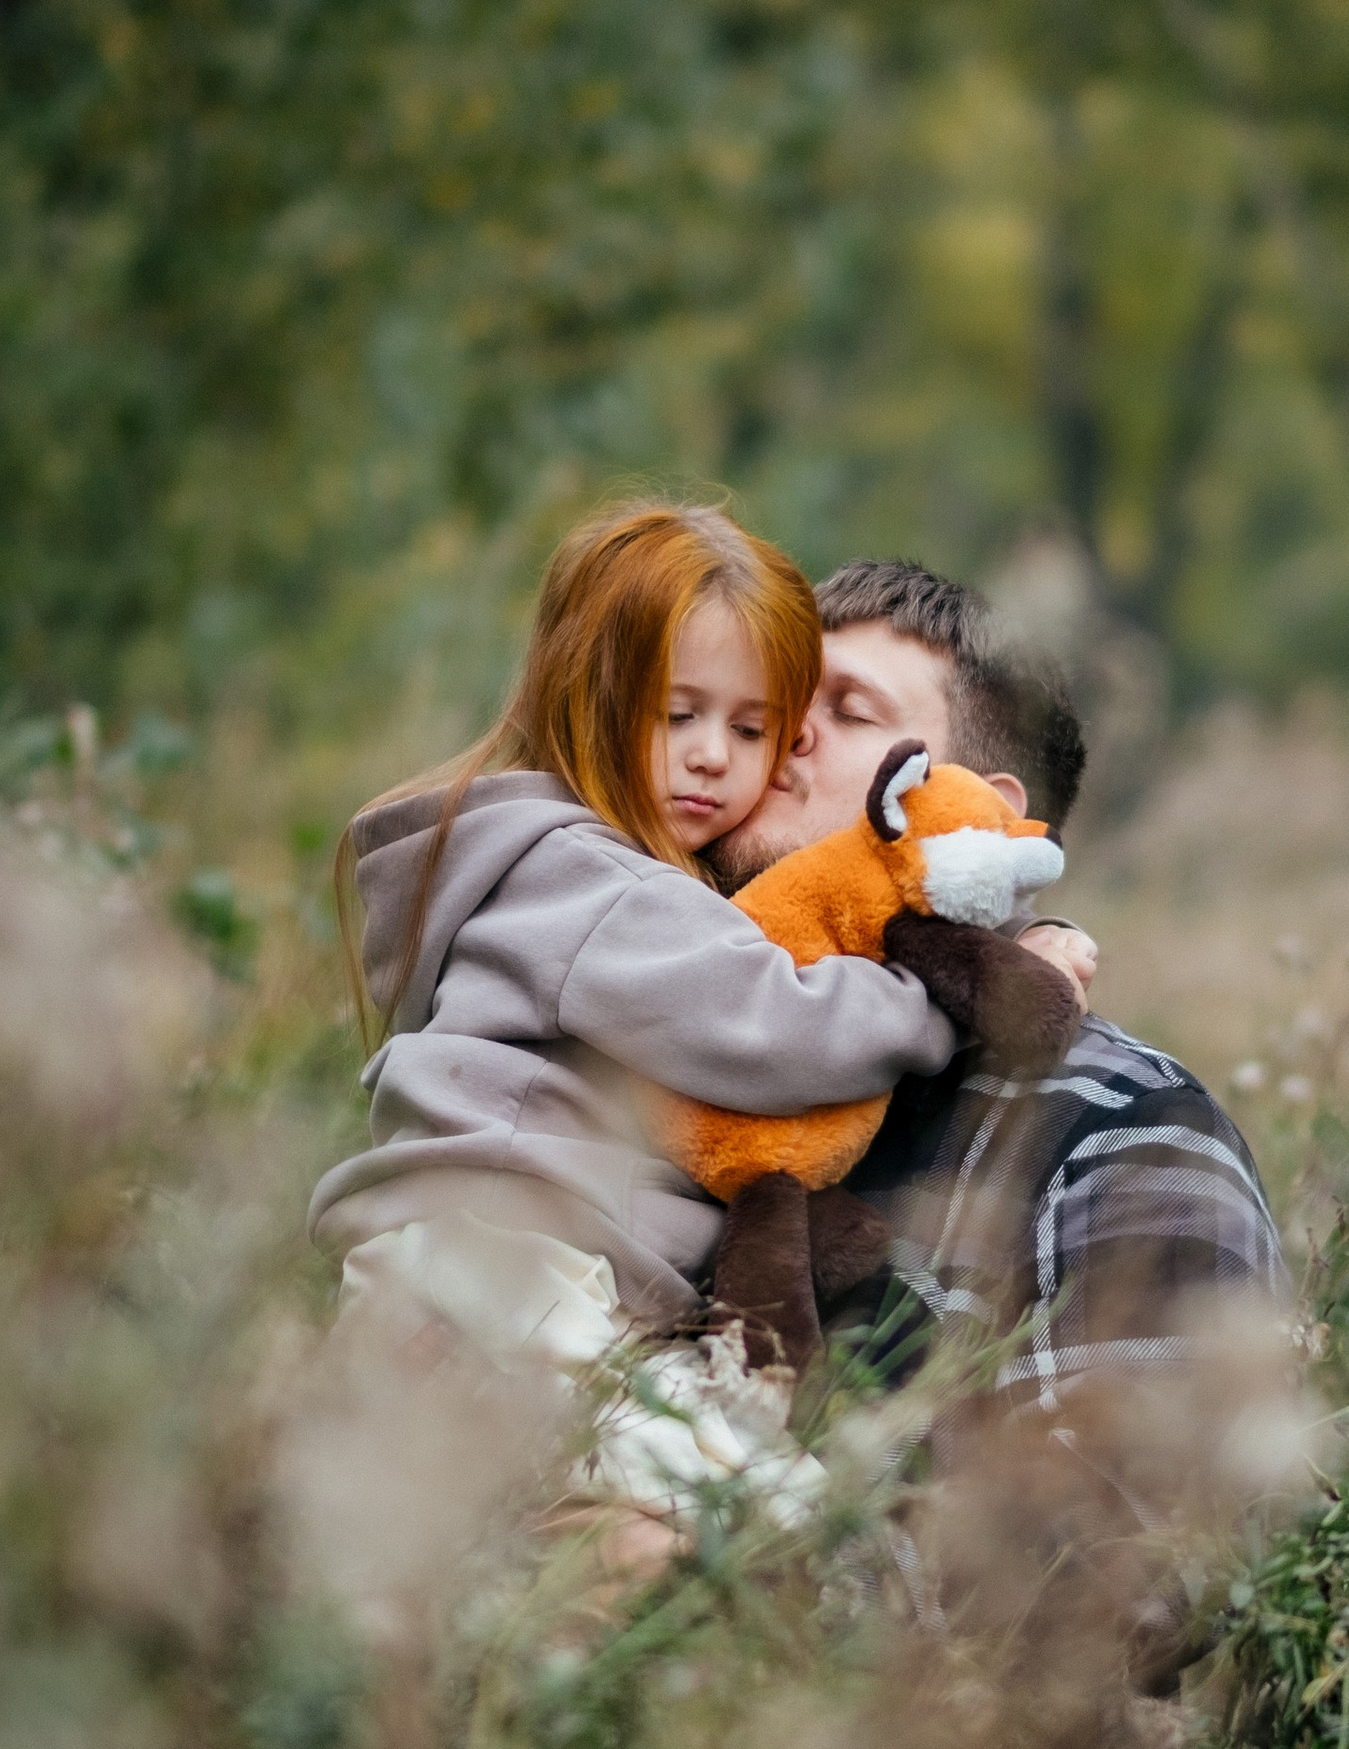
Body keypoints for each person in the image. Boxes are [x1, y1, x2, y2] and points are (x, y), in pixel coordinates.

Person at [309, 503, 983, 1522]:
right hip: (500, 1276)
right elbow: (774, 1026)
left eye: (751, 728)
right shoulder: (591, 887)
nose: (713, 756)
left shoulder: (558, 872)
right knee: (762, 1519)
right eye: (677, 715)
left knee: (675, 1525)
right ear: (588, 698)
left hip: (500, 1283)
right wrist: (941, 994)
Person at [714, 559, 1285, 1406]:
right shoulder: (655, 1049)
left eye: (848, 709)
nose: (782, 731)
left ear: (974, 814)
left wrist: (706, 1538)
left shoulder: (1123, 1136)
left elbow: (1142, 1525)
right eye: (783, 699)